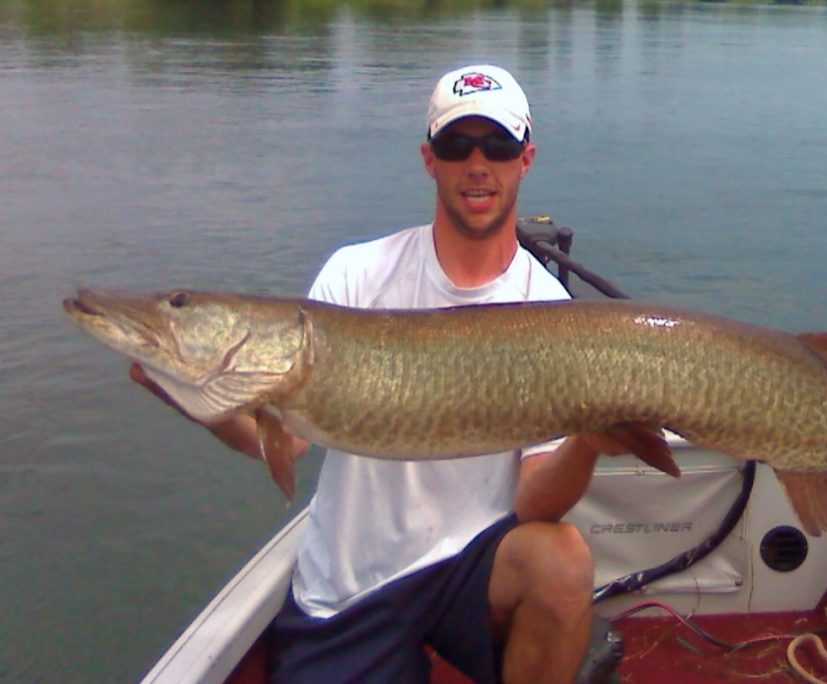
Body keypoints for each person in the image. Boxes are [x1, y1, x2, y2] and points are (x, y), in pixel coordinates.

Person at [132, 64, 610, 684]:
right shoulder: (356, 274)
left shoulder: (548, 309)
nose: (477, 164)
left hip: (473, 564)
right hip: (353, 581)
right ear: (429, 159)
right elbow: (282, 442)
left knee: (562, 561)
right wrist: (193, 395)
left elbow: (534, 498)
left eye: (497, 145)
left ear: (525, 159)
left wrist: (591, 442)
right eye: (455, 144)